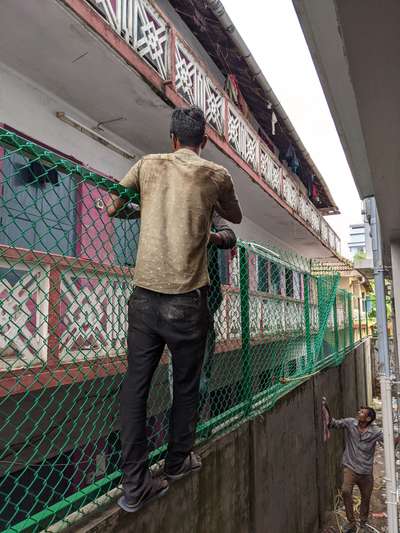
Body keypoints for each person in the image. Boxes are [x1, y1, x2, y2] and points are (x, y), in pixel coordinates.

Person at [107, 106, 242, 513]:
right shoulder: (215, 174)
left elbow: (113, 206)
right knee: (185, 384)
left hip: (144, 297)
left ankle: (135, 485)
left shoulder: (147, 165)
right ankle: (178, 460)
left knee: (135, 386)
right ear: (203, 142)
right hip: (187, 301)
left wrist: (147, 209)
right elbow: (234, 216)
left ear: (171, 139)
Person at [327, 404, 383, 532]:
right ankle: (351, 523)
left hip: (365, 471)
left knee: (366, 498)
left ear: (368, 419)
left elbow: (389, 442)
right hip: (350, 467)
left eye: (362, 412)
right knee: (346, 490)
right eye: (359, 411)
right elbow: (333, 423)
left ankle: (363, 524)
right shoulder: (350, 423)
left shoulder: (375, 432)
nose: (359, 413)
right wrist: (326, 410)